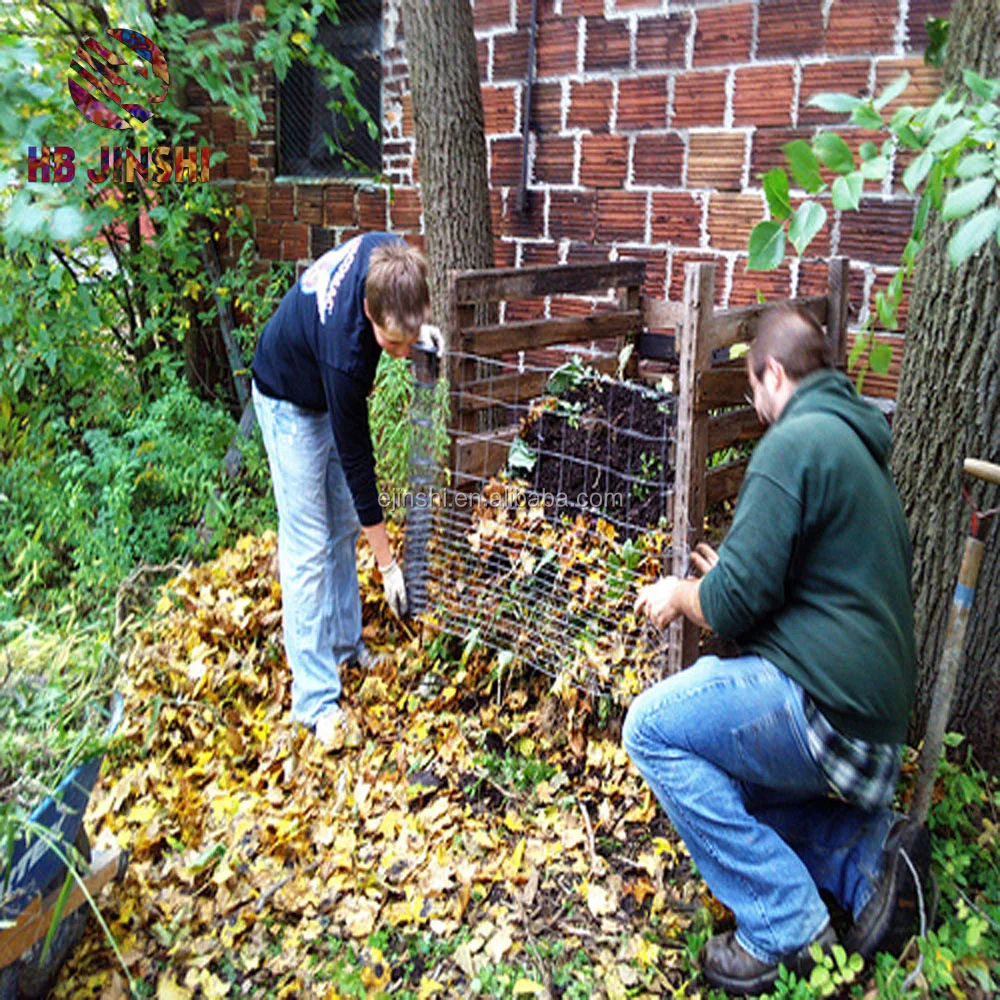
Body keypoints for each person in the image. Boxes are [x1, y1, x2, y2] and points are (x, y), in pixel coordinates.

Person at [626, 306, 935, 996]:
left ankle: (784, 924)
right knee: (731, 790)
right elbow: (794, 589)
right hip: (874, 732)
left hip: (824, 710)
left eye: (752, 393)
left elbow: (734, 606)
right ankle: (866, 866)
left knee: (651, 729)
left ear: (772, 372)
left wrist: (683, 593)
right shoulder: (857, 449)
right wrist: (729, 579)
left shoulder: (794, 444)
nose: (755, 410)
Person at [251, 233, 431, 744]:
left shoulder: (391, 259)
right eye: (393, 344)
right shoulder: (347, 353)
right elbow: (359, 466)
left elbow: (404, 316)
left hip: (323, 388)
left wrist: (420, 335)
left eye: (408, 340)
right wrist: (388, 565)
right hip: (288, 399)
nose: (401, 354)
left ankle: (346, 646)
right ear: (369, 315)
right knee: (309, 547)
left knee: (343, 528)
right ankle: (315, 702)